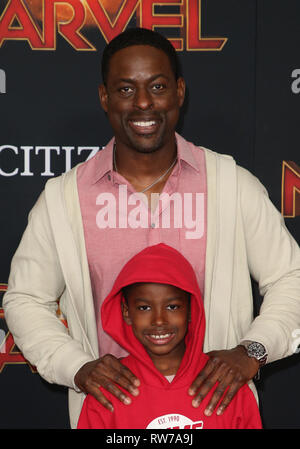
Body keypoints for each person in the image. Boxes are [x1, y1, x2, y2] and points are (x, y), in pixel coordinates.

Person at [3, 27, 300, 429]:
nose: (143, 103)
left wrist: (252, 351)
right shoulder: (63, 198)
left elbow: (291, 277)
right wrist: (77, 367)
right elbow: (25, 299)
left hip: (218, 415)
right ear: (104, 97)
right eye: (125, 89)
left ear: (179, 92)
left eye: (157, 86)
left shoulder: (231, 185)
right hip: (112, 419)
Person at [77, 243, 262, 429]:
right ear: (126, 312)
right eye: (144, 308)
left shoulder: (227, 382)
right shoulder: (106, 389)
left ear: (191, 309)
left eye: (172, 306)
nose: (159, 320)